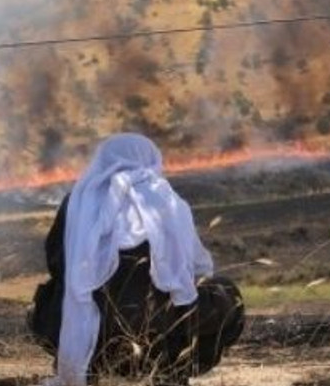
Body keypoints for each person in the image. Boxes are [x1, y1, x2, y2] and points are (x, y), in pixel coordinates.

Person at [27, 133, 244, 386]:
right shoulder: (167, 200)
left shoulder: (76, 203)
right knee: (225, 293)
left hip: (90, 343)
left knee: (46, 299)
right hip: (162, 343)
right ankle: (172, 372)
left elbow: (56, 263)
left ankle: (85, 367)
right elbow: (192, 268)